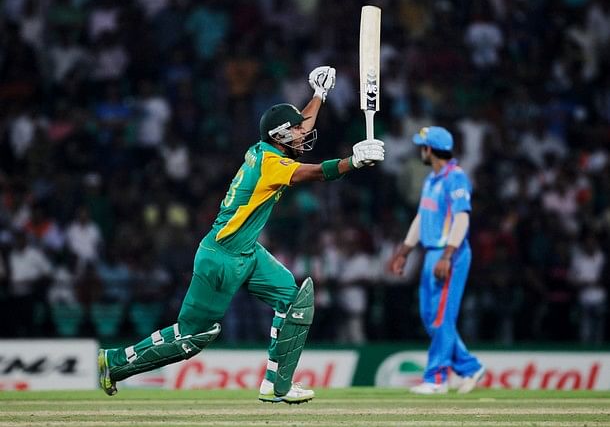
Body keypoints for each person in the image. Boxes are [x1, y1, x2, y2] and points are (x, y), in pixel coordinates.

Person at [98, 66, 385, 403]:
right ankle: (115, 362)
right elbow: (316, 174)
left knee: (293, 299)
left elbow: (301, 126)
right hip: (221, 258)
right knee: (193, 337)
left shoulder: (266, 149)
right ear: (279, 136)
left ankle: (276, 384)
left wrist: (319, 95)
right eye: (294, 131)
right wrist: (353, 161)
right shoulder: (272, 164)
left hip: (246, 252)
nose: (302, 134)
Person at [388, 126, 484, 394]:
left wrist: (447, 255)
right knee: (431, 317)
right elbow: (422, 218)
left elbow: (462, 218)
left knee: (441, 317)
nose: (421, 150)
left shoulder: (456, 178)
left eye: (423, 146)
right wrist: (404, 252)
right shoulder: (432, 180)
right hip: (432, 253)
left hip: (449, 254)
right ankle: (470, 367)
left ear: (430, 149)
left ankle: (437, 379)